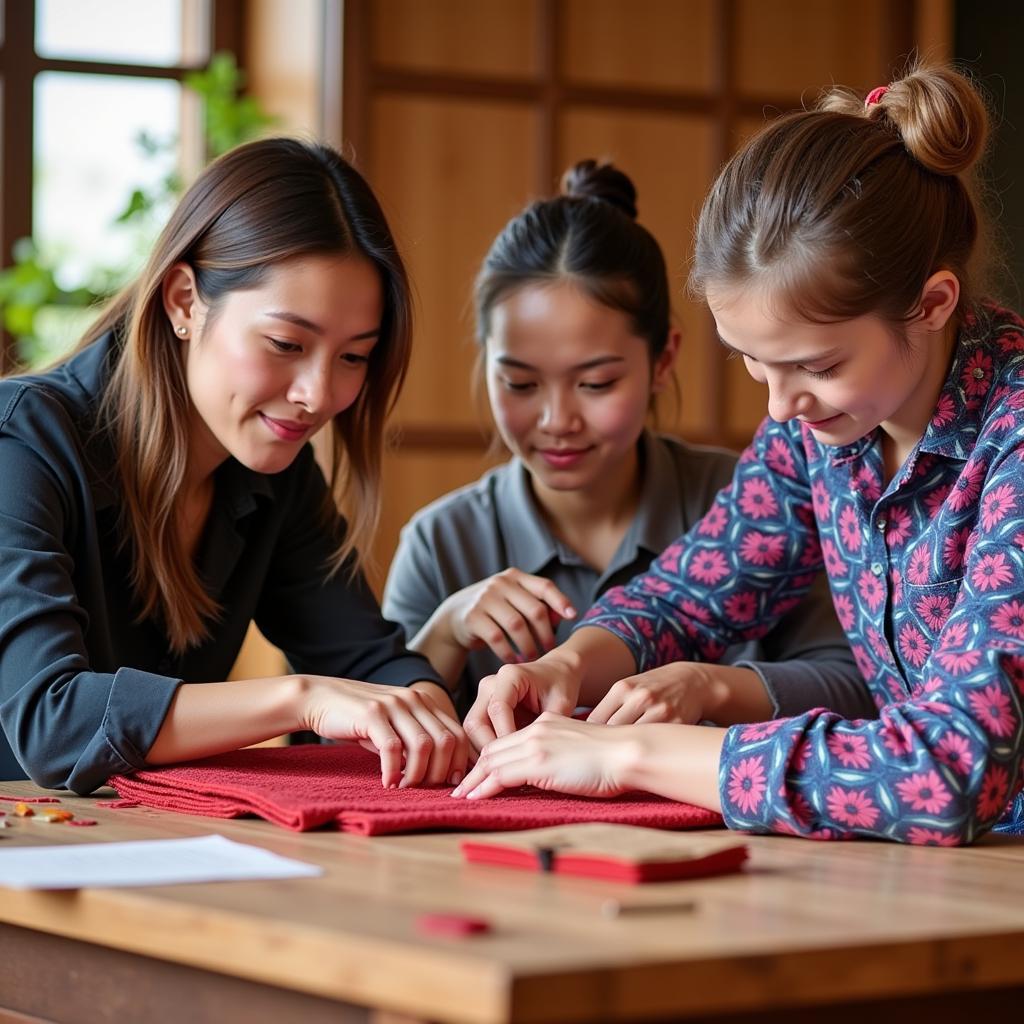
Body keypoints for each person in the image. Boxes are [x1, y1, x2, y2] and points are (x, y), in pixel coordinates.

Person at [451, 65, 1024, 845]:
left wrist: (635, 752)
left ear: (932, 304)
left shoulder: (1014, 433)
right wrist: (570, 666)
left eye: (816, 366)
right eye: (753, 361)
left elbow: (946, 776)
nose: (779, 407)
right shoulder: (824, 424)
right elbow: (696, 591)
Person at [0, 137, 469, 793]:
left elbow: (367, 662)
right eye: (286, 343)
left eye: (354, 357)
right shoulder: (23, 441)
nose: (317, 394)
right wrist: (298, 700)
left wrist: (428, 708)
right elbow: (53, 724)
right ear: (185, 301)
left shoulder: (275, 470)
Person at [383, 159, 870, 728]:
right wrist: (446, 632)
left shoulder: (752, 500)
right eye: (519, 383)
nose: (557, 419)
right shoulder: (443, 542)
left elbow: (861, 685)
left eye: (595, 383)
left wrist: (707, 685)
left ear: (663, 360)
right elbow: (361, 746)